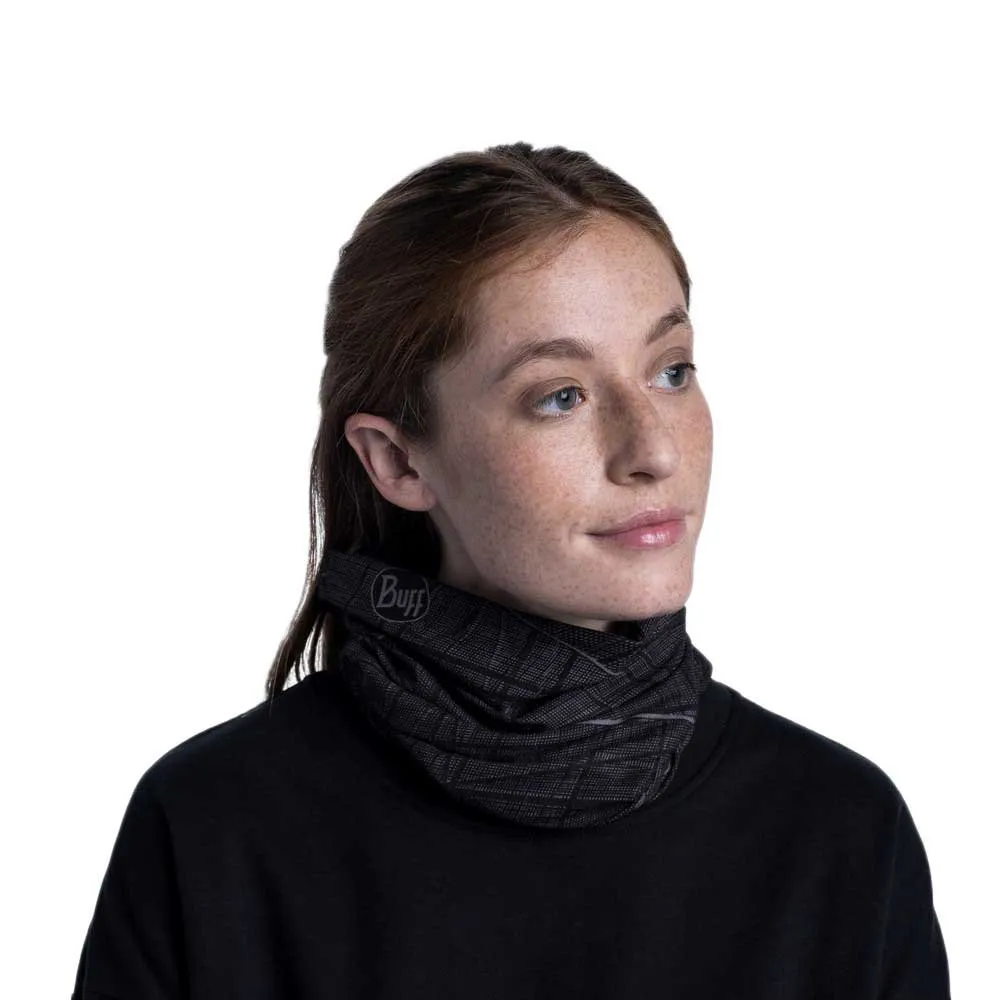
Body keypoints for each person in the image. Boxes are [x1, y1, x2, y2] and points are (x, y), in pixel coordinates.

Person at [71, 142, 951, 998]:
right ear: (397, 461)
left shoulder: (840, 831)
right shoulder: (213, 829)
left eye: (672, 371)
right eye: (560, 396)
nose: (653, 451)